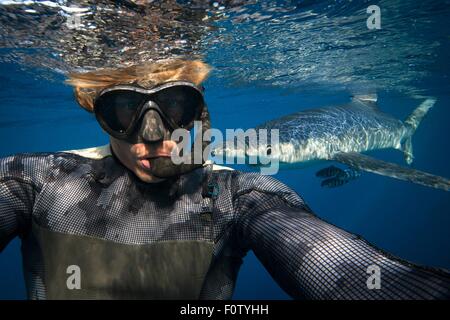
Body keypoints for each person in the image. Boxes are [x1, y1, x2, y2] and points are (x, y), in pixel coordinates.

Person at [0, 59, 449, 300]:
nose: (153, 138)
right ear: (96, 114)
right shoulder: (35, 180)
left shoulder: (239, 196)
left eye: (174, 109)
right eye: (122, 112)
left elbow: (326, 259)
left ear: (198, 113)